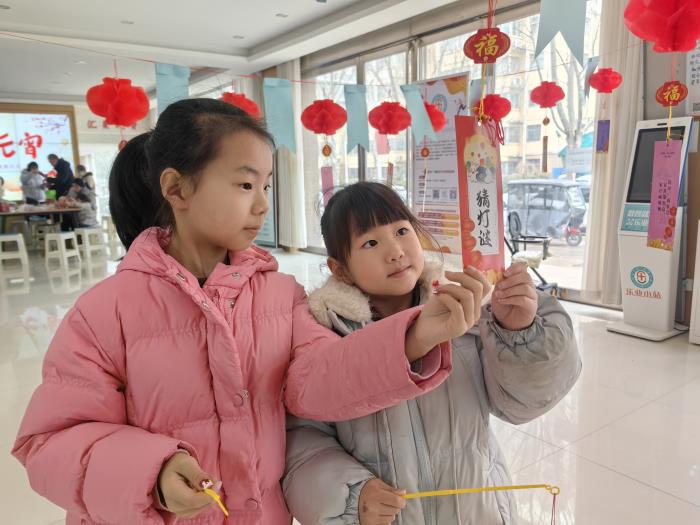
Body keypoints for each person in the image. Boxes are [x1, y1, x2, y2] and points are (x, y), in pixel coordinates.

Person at [12, 99, 479, 525]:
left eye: (266, 185)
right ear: (177, 188)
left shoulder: (281, 296)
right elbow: (49, 442)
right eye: (244, 184)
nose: (261, 204)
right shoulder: (105, 311)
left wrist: (412, 336)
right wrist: (151, 473)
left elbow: (319, 380)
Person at [283, 182, 582, 525]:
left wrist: (518, 333)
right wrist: (350, 496)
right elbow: (302, 442)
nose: (395, 251)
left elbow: (519, 405)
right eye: (370, 243)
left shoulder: (462, 311)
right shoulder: (325, 335)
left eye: (401, 231)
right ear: (340, 269)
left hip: (477, 512)